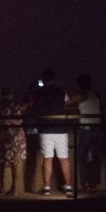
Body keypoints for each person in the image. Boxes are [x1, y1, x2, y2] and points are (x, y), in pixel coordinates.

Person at [32, 68, 72, 196]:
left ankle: (47, 187)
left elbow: (32, 103)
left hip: (46, 128)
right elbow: (66, 102)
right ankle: (68, 186)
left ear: (43, 79)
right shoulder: (61, 91)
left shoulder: (39, 93)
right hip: (61, 128)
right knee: (64, 158)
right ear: (54, 79)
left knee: (47, 159)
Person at [67, 73, 103, 191]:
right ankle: (95, 183)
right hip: (97, 128)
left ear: (79, 84)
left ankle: (85, 183)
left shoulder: (80, 95)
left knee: (81, 156)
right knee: (95, 156)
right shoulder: (95, 94)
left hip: (86, 129)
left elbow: (66, 103)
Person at [0, 87, 27, 195]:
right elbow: (19, 121)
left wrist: (5, 120)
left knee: (2, 162)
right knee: (14, 162)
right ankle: (12, 189)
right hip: (14, 137)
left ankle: (4, 188)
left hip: (6, 137)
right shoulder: (15, 106)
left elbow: (18, 121)